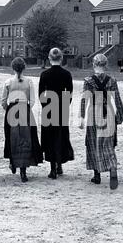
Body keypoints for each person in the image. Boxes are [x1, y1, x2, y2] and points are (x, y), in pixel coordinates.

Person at [79, 54, 123, 190]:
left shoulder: (88, 81)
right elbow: (117, 99)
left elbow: (84, 100)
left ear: (94, 65)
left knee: (93, 142)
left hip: (93, 112)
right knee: (108, 142)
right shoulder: (112, 80)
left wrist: (81, 117)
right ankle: (112, 168)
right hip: (108, 111)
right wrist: (120, 116)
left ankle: (97, 175)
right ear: (106, 65)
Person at [2, 57, 43, 183]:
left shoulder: (8, 82)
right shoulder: (29, 82)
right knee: (26, 138)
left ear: (13, 68)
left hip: (12, 109)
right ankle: (23, 170)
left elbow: (3, 100)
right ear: (24, 67)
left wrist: (8, 109)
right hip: (25, 109)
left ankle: (12, 161)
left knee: (10, 136)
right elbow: (33, 100)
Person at [38, 48, 74, 179]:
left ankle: (52, 167)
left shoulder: (44, 74)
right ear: (62, 58)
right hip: (62, 107)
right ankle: (60, 164)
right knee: (61, 135)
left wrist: (45, 106)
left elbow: (41, 94)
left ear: (49, 58)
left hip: (48, 107)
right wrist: (65, 105)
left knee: (49, 136)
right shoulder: (67, 74)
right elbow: (69, 93)